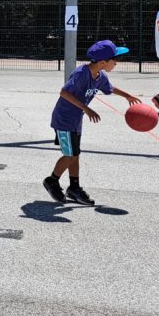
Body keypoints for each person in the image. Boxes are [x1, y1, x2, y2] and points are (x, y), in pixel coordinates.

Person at [43, 40, 139, 205]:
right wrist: (86, 109)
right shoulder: (81, 74)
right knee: (70, 154)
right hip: (64, 119)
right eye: (115, 59)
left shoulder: (100, 76)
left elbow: (110, 88)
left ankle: (74, 187)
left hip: (75, 120)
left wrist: (127, 96)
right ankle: (52, 180)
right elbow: (64, 92)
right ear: (103, 62)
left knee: (75, 154)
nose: (116, 63)